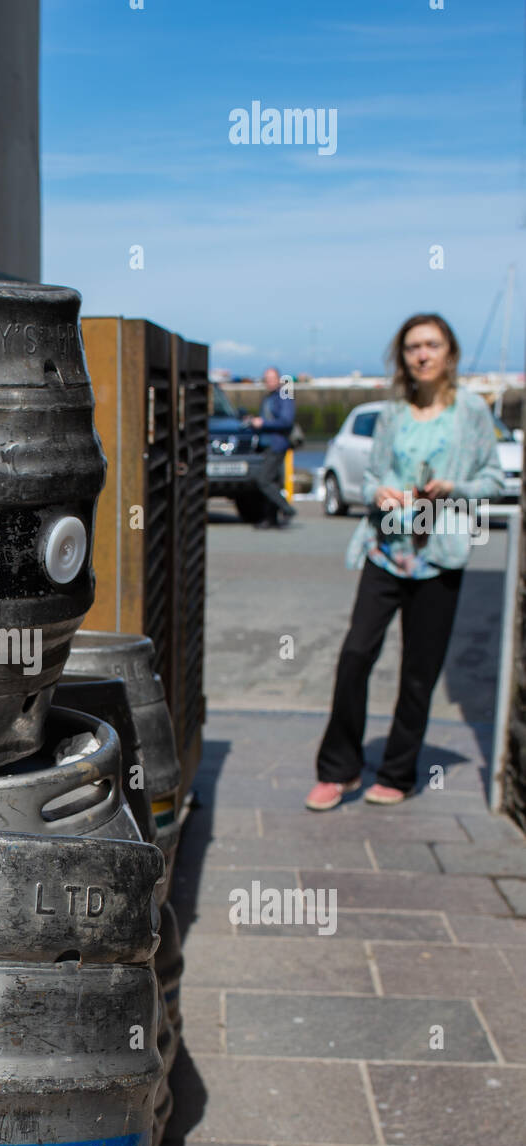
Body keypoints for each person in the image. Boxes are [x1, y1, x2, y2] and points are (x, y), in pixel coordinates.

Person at [306, 313, 503, 811]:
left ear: (449, 353)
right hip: (386, 549)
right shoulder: (391, 413)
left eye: (432, 345)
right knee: (355, 656)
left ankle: (398, 772)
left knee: (420, 670)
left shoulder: (473, 413)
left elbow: (493, 480)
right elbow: (371, 477)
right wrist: (382, 492)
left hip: (440, 555)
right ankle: (338, 769)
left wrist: (454, 488)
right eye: (413, 346)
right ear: (402, 357)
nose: (422, 354)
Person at [248, 366, 297, 529]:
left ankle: (286, 508)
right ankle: (270, 518)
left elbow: (286, 421)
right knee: (273, 481)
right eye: (266, 379)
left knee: (264, 480)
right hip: (266, 445)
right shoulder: (268, 397)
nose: (269, 382)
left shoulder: (284, 395)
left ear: (278, 379)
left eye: (271, 379)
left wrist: (263, 423)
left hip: (277, 445)